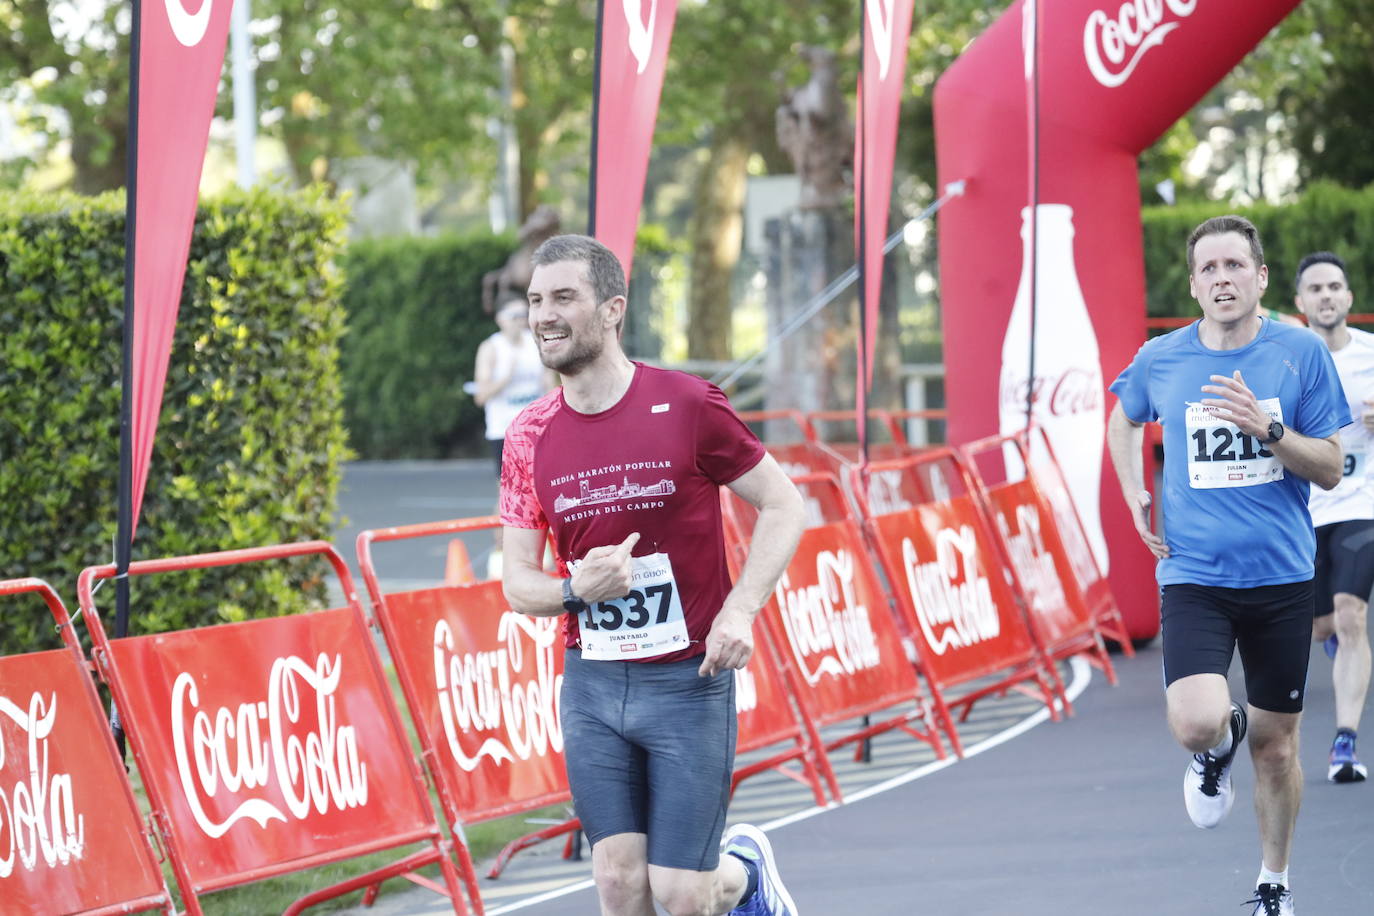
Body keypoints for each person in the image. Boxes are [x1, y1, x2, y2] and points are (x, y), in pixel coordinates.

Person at [499, 234, 806, 916]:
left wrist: (741, 611)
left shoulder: (689, 404)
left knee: (682, 894)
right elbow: (518, 581)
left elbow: (784, 504)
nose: (544, 315)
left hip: (688, 683)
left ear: (612, 309)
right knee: (618, 883)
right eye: (535, 301)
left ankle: (747, 879)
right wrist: (577, 590)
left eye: (563, 298)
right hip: (593, 687)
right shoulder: (529, 435)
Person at [1106, 215, 1348, 916]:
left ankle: (1273, 884)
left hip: (1280, 577)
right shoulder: (1164, 358)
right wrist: (1130, 490)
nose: (1222, 279)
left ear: (1262, 277)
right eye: (1208, 269)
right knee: (1196, 721)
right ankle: (1217, 747)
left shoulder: (1299, 353)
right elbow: (1123, 416)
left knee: (1276, 750)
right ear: (1192, 284)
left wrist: (1268, 430)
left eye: (1235, 266)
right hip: (1195, 577)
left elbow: (1331, 468)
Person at [1292, 250, 1371, 784]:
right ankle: (1342, 651)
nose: (1326, 295)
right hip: (1305, 510)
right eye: (1315, 289)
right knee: (1323, 626)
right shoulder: (1288, 360)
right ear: (1300, 303)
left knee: (1350, 614)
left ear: (1347, 297)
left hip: (1362, 501)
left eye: (1334, 287)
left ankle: (1345, 741)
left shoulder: (1372, 354)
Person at [472, 298, 553, 475]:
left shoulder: (536, 343)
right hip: (504, 430)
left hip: (536, 430)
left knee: (542, 490)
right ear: (500, 318)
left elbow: (550, 387)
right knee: (507, 496)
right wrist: (505, 378)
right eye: (514, 316)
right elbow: (480, 397)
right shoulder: (491, 348)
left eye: (524, 314)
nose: (520, 320)